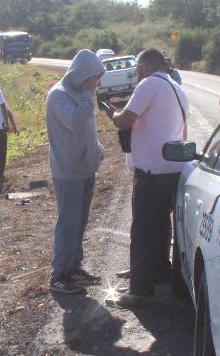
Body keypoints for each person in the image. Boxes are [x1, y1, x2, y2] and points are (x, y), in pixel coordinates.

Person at [112, 48, 191, 307]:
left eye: (137, 68)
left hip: (151, 171)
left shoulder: (148, 85)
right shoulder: (177, 89)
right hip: (174, 169)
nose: (136, 73)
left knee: (143, 229)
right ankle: (159, 270)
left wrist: (113, 113)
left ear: (143, 67)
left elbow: (125, 121)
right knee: (161, 225)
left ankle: (140, 291)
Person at [46, 50, 108, 296]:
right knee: (68, 224)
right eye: (95, 77)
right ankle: (59, 275)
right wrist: (87, 96)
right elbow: (75, 122)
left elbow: (88, 127)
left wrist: (97, 150)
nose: (97, 83)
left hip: (85, 169)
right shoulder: (59, 94)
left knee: (79, 223)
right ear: (83, 75)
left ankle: (74, 268)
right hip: (68, 172)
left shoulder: (82, 93)